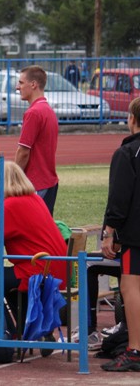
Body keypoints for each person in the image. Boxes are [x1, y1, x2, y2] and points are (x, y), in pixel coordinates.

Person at [0, 161, 67, 337]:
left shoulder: (11, 205)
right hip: (54, 266)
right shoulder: (35, 199)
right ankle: (32, 330)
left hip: (36, 268)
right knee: (5, 282)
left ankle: (9, 333)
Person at [100, 96, 140, 372]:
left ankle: (135, 349)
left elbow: (119, 196)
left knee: (130, 287)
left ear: (132, 119)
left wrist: (109, 230)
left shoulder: (127, 153)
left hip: (135, 234)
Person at [15, 65, 59, 215]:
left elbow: (23, 151)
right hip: (49, 182)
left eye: (21, 83)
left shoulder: (33, 113)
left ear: (33, 84)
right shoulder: (48, 111)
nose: (17, 87)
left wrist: (14, 178)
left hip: (36, 184)